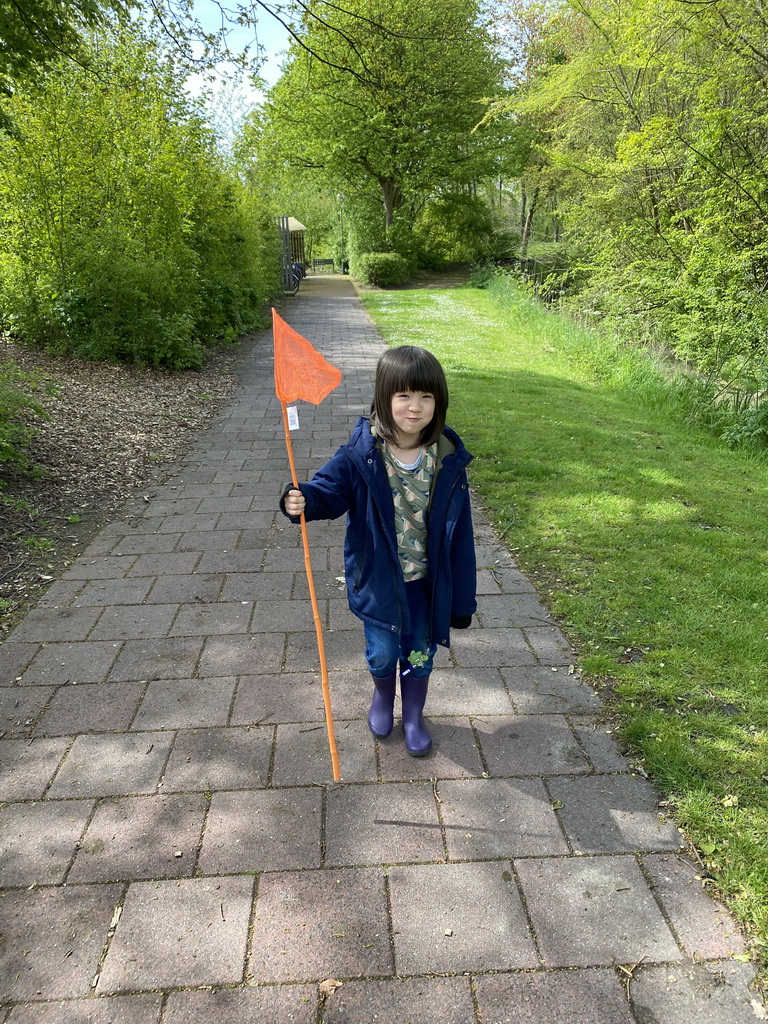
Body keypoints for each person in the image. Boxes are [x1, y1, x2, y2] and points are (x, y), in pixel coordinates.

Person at [280, 345, 476, 756]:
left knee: (419, 655)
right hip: (379, 582)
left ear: (438, 402)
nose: (415, 407)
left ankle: (415, 714)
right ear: (384, 399)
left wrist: (462, 602)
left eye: (426, 397)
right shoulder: (361, 455)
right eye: (404, 396)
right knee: (384, 653)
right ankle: (384, 697)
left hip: (427, 582)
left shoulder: (446, 461)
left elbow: (461, 537)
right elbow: (329, 491)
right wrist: (304, 500)